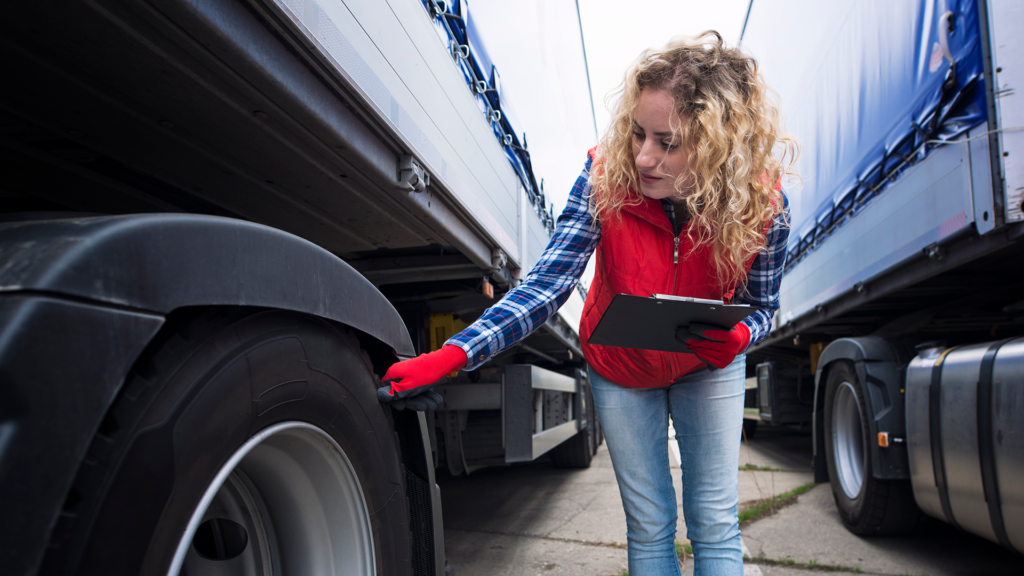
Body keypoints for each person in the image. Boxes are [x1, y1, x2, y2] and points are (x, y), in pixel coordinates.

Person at [378, 31, 796, 576]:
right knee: (648, 528)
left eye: (667, 142)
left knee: (714, 522)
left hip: (706, 366)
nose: (643, 157)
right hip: (619, 366)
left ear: (720, 147)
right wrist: (454, 356)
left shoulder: (764, 206)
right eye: (638, 133)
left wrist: (742, 336)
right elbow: (548, 284)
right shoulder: (605, 177)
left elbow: (764, 305)